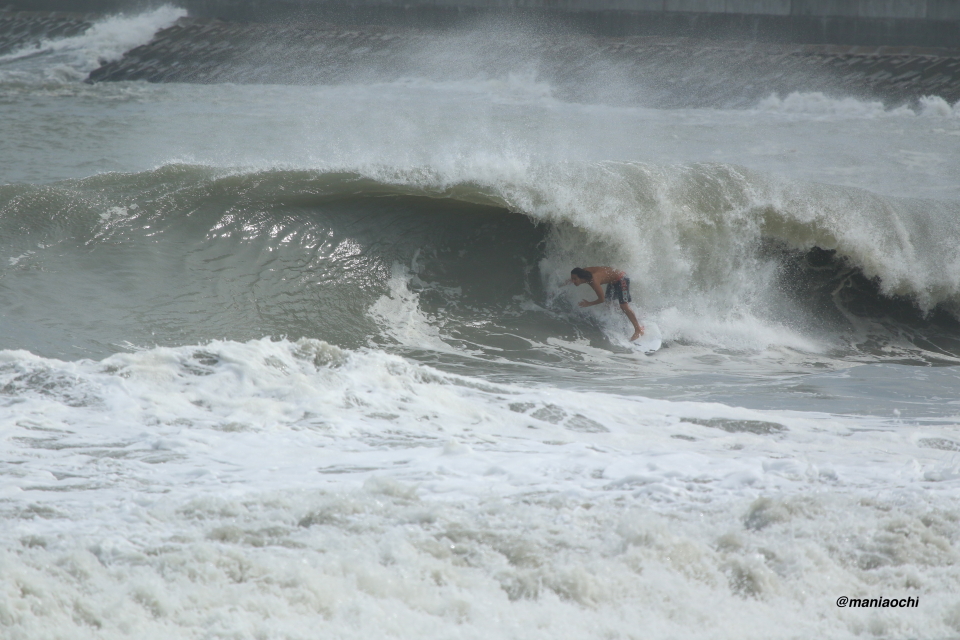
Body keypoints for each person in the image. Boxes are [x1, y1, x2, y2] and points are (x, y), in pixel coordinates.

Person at [569, 266, 644, 341]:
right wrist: (565, 283)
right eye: (572, 279)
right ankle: (634, 317)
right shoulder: (583, 272)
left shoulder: (593, 281)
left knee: (624, 306)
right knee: (609, 304)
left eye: (575, 279)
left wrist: (589, 304)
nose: (573, 281)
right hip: (613, 280)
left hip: (622, 278)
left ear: (581, 277)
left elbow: (601, 299)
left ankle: (638, 330)